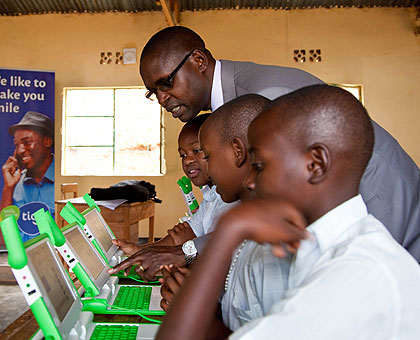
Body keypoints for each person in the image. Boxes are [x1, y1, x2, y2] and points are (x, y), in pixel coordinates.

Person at [156, 85, 420, 340]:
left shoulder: (361, 273)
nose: (250, 181)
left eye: (259, 165)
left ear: (315, 164)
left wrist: (228, 230)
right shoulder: (312, 244)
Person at [139, 26, 420, 262]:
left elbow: (273, 209)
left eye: (166, 82)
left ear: (199, 61)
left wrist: (187, 253)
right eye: (154, 92)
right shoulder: (234, 105)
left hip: (388, 219)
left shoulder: (266, 99)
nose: (163, 99)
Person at [160, 94, 293, 337]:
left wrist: (200, 321)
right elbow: (238, 314)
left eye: (207, 156)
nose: (206, 169)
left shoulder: (274, 251)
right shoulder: (249, 228)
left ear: (237, 152)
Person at [109, 113, 234, 280]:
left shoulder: (233, 199)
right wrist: (140, 252)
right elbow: (185, 233)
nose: (188, 160)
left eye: (196, 150)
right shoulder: (211, 196)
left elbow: (218, 251)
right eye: (182, 155)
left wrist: (182, 255)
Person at [0, 111, 54, 242]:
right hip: (24, 259)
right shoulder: (15, 183)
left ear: (47, 141)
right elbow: (3, 239)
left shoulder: (63, 183)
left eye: (27, 142)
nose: (19, 151)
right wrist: (8, 188)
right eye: (16, 145)